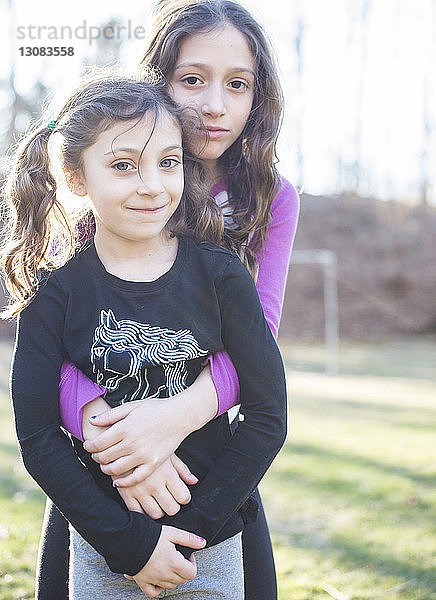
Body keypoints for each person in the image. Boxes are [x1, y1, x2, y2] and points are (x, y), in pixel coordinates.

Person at [36, 1, 300, 598]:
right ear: (156, 79)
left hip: (207, 460)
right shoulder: (114, 183)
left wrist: (175, 418)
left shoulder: (272, 198)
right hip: (107, 457)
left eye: (238, 84)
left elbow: (262, 329)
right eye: (192, 79)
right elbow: (55, 337)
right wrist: (107, 428)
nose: (215, 104)